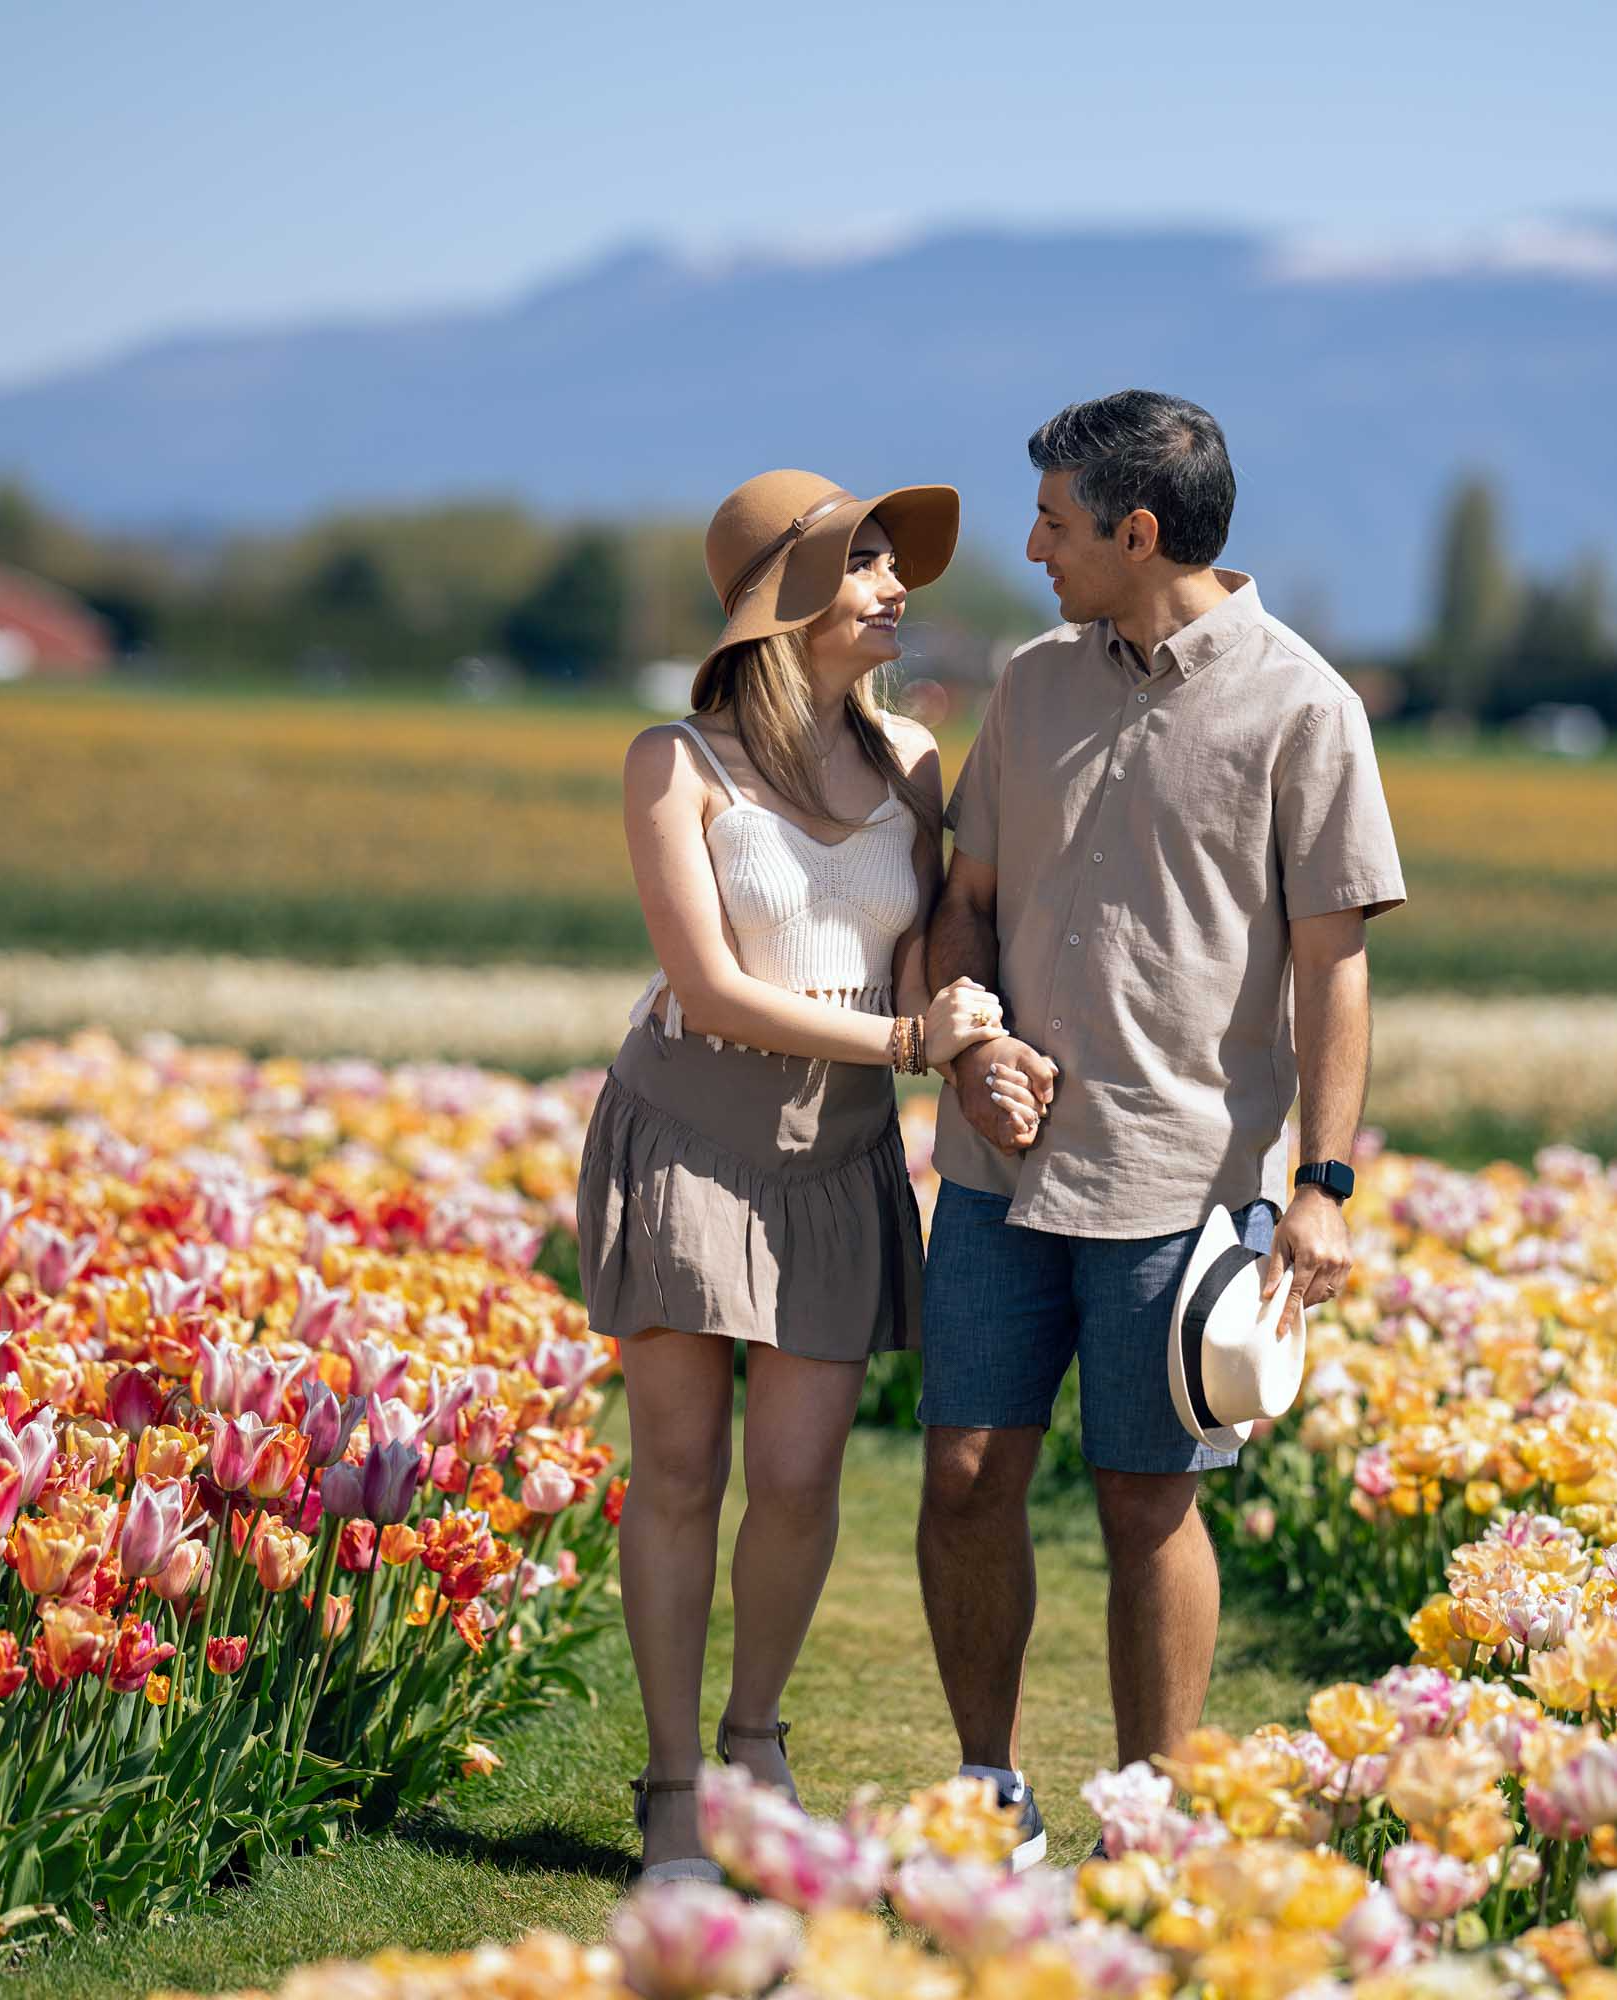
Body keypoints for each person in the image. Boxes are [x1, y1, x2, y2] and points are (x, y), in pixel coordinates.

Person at [916, 391, 1408, 1862]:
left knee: (1145, 1504)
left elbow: (1338, 971)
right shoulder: (1030, 682)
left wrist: (1319, 1185)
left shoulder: (1304, 708)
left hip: (1184, 1186)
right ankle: (988, 1790)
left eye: (1057, 524)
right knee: (962, 1479)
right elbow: (967, 907)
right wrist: (969, 1042)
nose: (1032, 548)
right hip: (999, 1168)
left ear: (1139, 533)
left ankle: (1151, 1826)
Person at [580, 468, 1010, 1884]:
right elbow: (705, 984)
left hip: (837, 1153)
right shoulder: (677, 764)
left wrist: (957, 1024)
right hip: (689, 1133)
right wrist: (905, 1037)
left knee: (804, 1475)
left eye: (896, 563)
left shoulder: (912, 767)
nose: (899, 588)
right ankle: (668, 1788)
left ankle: (754, 1744)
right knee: (682, 1472)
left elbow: (917, 953)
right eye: (868, 565)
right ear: (792, 602)